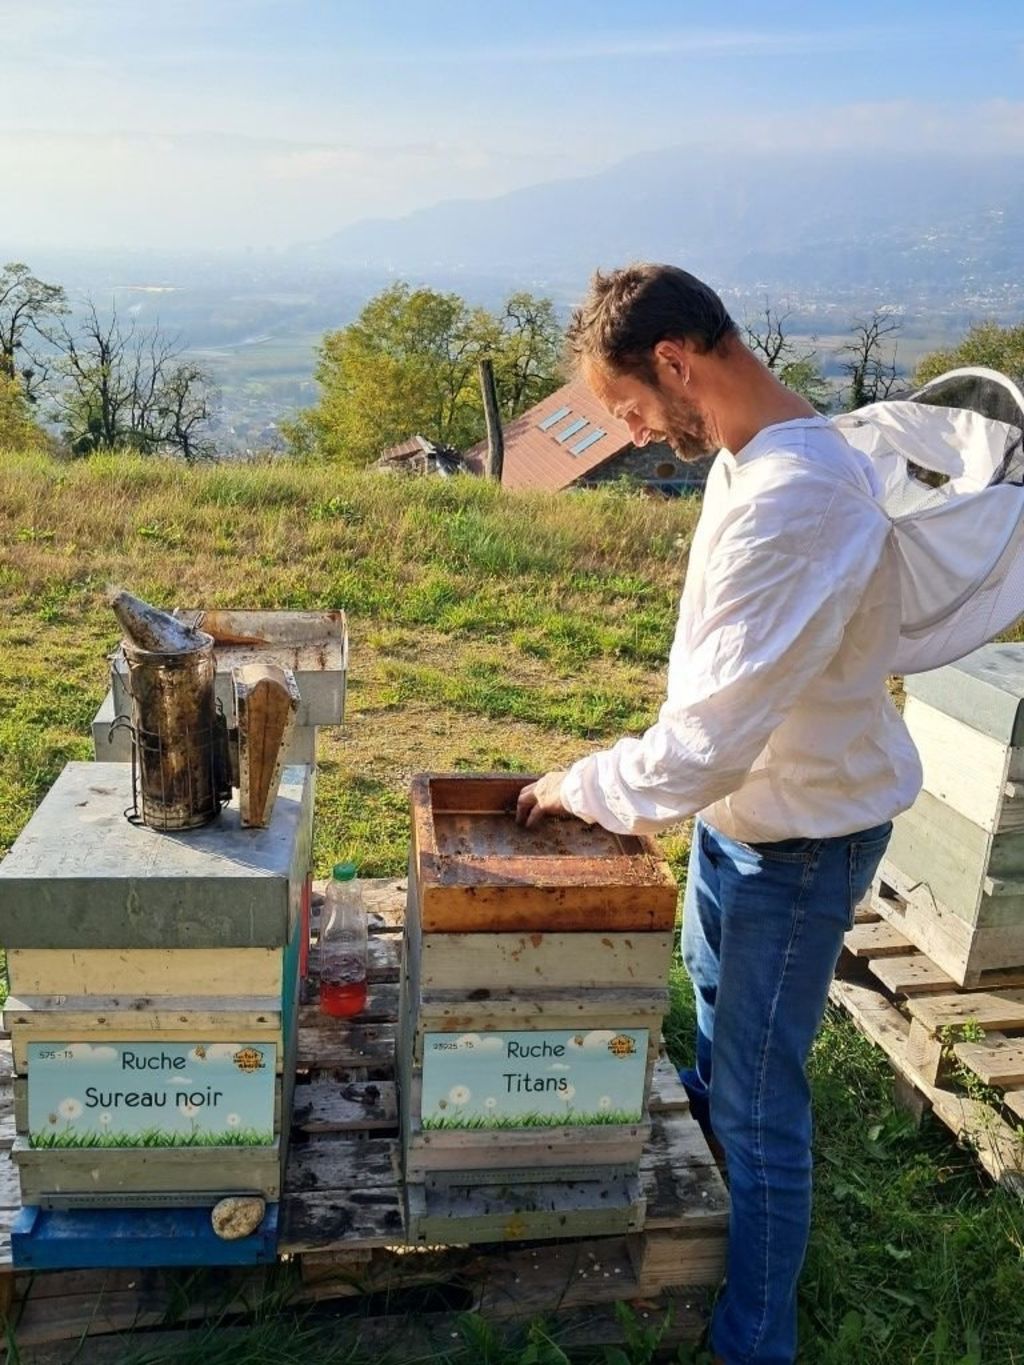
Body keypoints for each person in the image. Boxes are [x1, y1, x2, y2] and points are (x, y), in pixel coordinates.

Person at [516, 263, 923, 1365]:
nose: (635, 435)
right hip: (749, 817)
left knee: (757, 1103)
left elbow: (702, 746)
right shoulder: (756, 458)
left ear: (675, 362)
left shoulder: (797, 500)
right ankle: (704, 1220)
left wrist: (578, 785)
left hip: (795, 840)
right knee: (716, 1030)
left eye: (629, 408)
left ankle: (753, 1339)